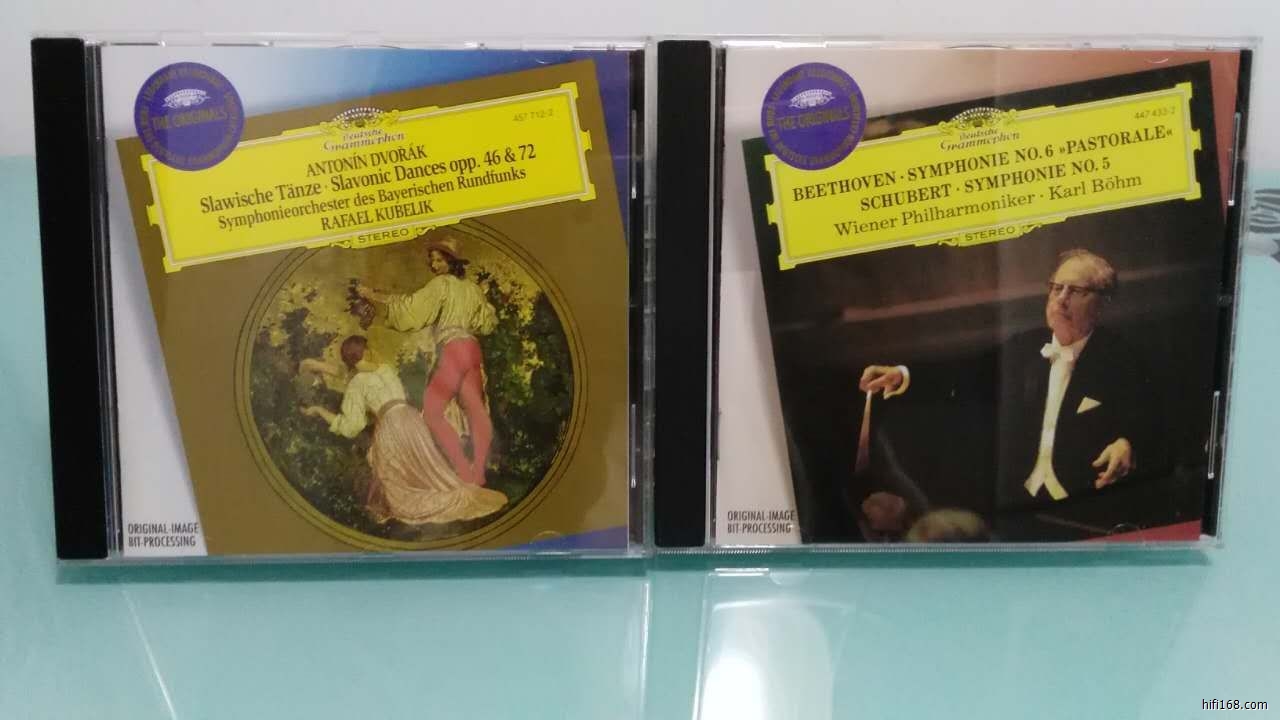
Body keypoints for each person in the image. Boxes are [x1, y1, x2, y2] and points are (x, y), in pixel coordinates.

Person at [859, 249, 1153, 527]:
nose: (1061, 299)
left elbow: (1147, 418)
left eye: (1076, 291)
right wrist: (901, 375)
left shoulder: (1123, 359)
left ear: (1102, 304)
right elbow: (963, 374)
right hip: (1020, 511)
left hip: (1085, 512)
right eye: (1056, 288)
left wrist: (1127, 443)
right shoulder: (1022, 347)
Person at [300, 335, 507, 525]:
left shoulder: (356, 383)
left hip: (391, 426)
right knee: (428, 469)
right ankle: (451, 492)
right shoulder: (385, 369)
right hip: (411, 420)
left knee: (397, 483)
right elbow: (352, 375)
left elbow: (351, 426)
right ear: (367, 352)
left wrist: (319, 410)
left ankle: (425, 501)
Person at [356, 233, 498, 486]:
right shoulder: (473, 290)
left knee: (432, 413)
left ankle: (464, 470)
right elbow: (487, 323)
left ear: (451, 262)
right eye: (432, 260)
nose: (434, 265)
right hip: (472, 348)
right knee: (476, 410)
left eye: (439, 260)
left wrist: (373, 295)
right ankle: (478, 472)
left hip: (453, 348)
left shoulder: (442, 284)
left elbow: (411, 308)